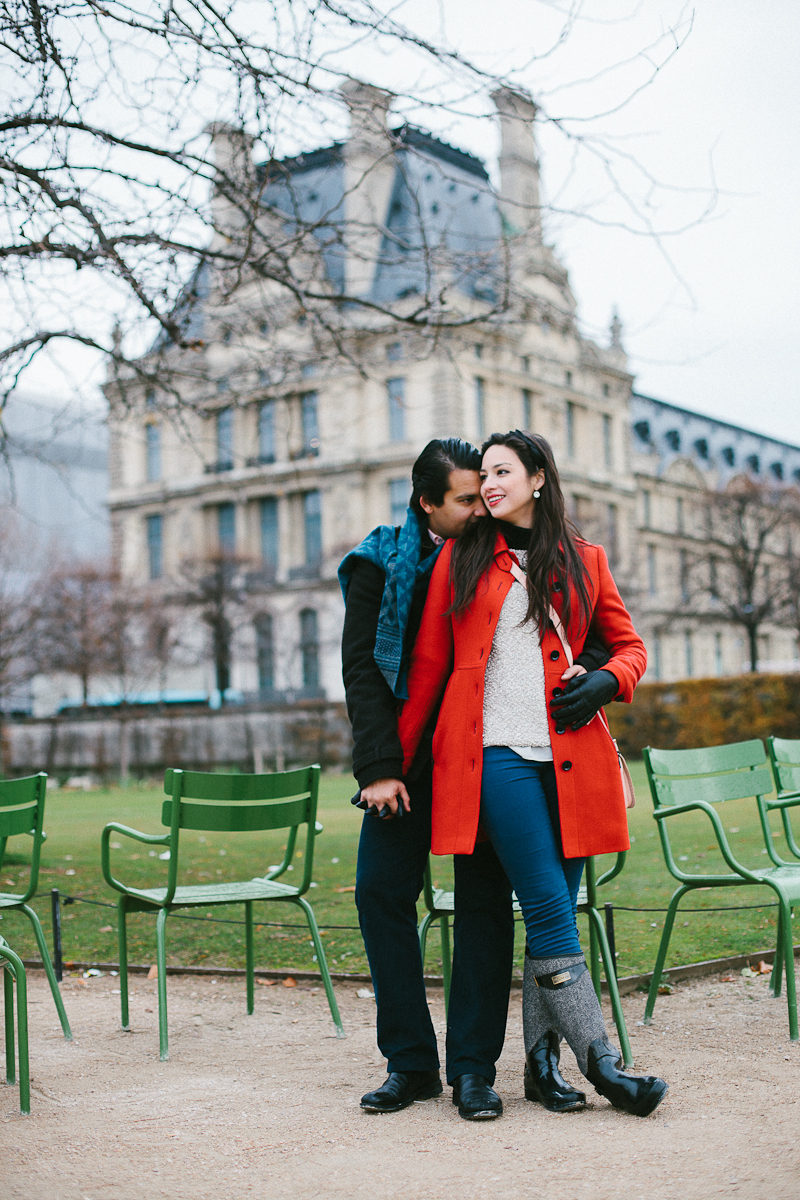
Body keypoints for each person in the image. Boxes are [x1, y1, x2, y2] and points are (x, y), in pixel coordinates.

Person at [398, 430, 668, 1118]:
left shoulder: (585, 559)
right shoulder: (460, 557)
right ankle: (606, 1066)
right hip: (496, 757)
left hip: (573, 763)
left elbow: (632, 647)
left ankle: (543, 1068)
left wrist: (608, 679)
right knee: (550, 910)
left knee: (555, 924)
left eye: (502, 472)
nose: (488, 484)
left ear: (539, 477)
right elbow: (428, 669)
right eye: (484, 474)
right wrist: (392, 766)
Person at [339, 437, 609, 1121]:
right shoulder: (379, 564)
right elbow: (368, 675)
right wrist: (380, 770)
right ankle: (409, 1064)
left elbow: (579, 629)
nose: (483, 501)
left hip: (481, 757)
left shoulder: (498, 554)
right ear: (428, 503)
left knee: (485, 906)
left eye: (491, 483)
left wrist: (601, 677)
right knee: (381, 894)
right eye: (468, 495)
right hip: (406, 762)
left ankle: (473, 1069)